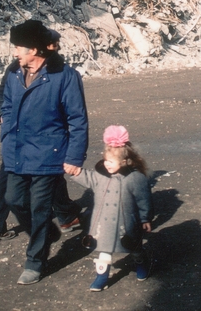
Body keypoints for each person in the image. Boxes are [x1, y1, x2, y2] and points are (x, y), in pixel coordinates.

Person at [0, 20, 89, 285]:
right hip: (17, 149)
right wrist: (5, 126)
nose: (15, 52)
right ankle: (47, 233)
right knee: (14, 199)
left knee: (40, 208)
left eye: (19, 47)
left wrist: (74, 157)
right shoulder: (14, 72)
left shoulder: (65, 77)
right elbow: (5, 102)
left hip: (48, 152)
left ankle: (35, 262)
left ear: (35, 49)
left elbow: (78, 119)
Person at [0, 28, 80, 243]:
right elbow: (1, 94)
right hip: (20, 137)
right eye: (53, 45)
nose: (56, 48)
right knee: (14, 181)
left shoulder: (57, 68)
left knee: (45, 177)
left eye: (57, 45)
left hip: (42, 137)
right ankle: (63, 218)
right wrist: (3, 117)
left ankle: (64, 217)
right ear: (42, 46)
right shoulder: (20, 66)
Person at [68, 125, 152, 292]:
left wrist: (145, 218)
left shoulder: (134, 178)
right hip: (104, 224)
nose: (107, 165)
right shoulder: (100, 175)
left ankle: (142, 262)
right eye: (105, 160)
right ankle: (102, 277)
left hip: (126, 223)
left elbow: (144, 200)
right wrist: (76, 171)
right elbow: (88, 178)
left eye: (111, 162)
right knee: (104, 251)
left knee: (133, 247)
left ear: (123, 161)